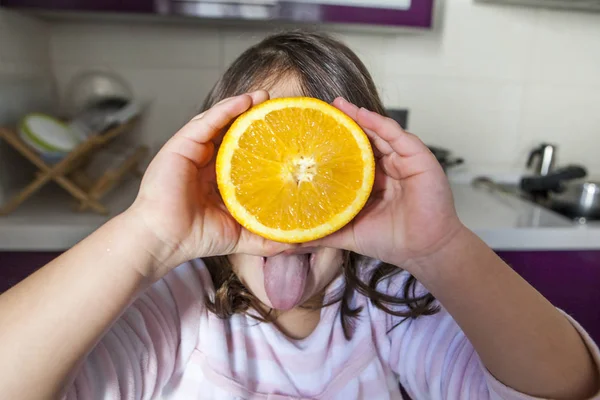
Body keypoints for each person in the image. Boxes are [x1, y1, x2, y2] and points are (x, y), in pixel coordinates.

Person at [0, 31, 598, 400]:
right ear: (219, 174)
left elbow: (558, 390)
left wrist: (440, 249)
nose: (289, 191)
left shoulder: (386, 307)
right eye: (265, 157)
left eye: (318, 158)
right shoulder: (174, 307)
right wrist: (148, 234)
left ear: (362, 178)